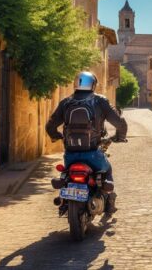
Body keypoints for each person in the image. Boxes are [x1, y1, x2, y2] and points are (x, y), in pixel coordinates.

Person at [45, 71, 127, 214]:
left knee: (66, 174)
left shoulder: (66, 102)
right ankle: (109, 201)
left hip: (70, 155)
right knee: (107, 169)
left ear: (75, 83)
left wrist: (56, 135)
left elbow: (50, 125)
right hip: (93, 153)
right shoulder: (100, 101)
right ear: (93, 85)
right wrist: (119, 136)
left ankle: (64, 200)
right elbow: (120, 123)